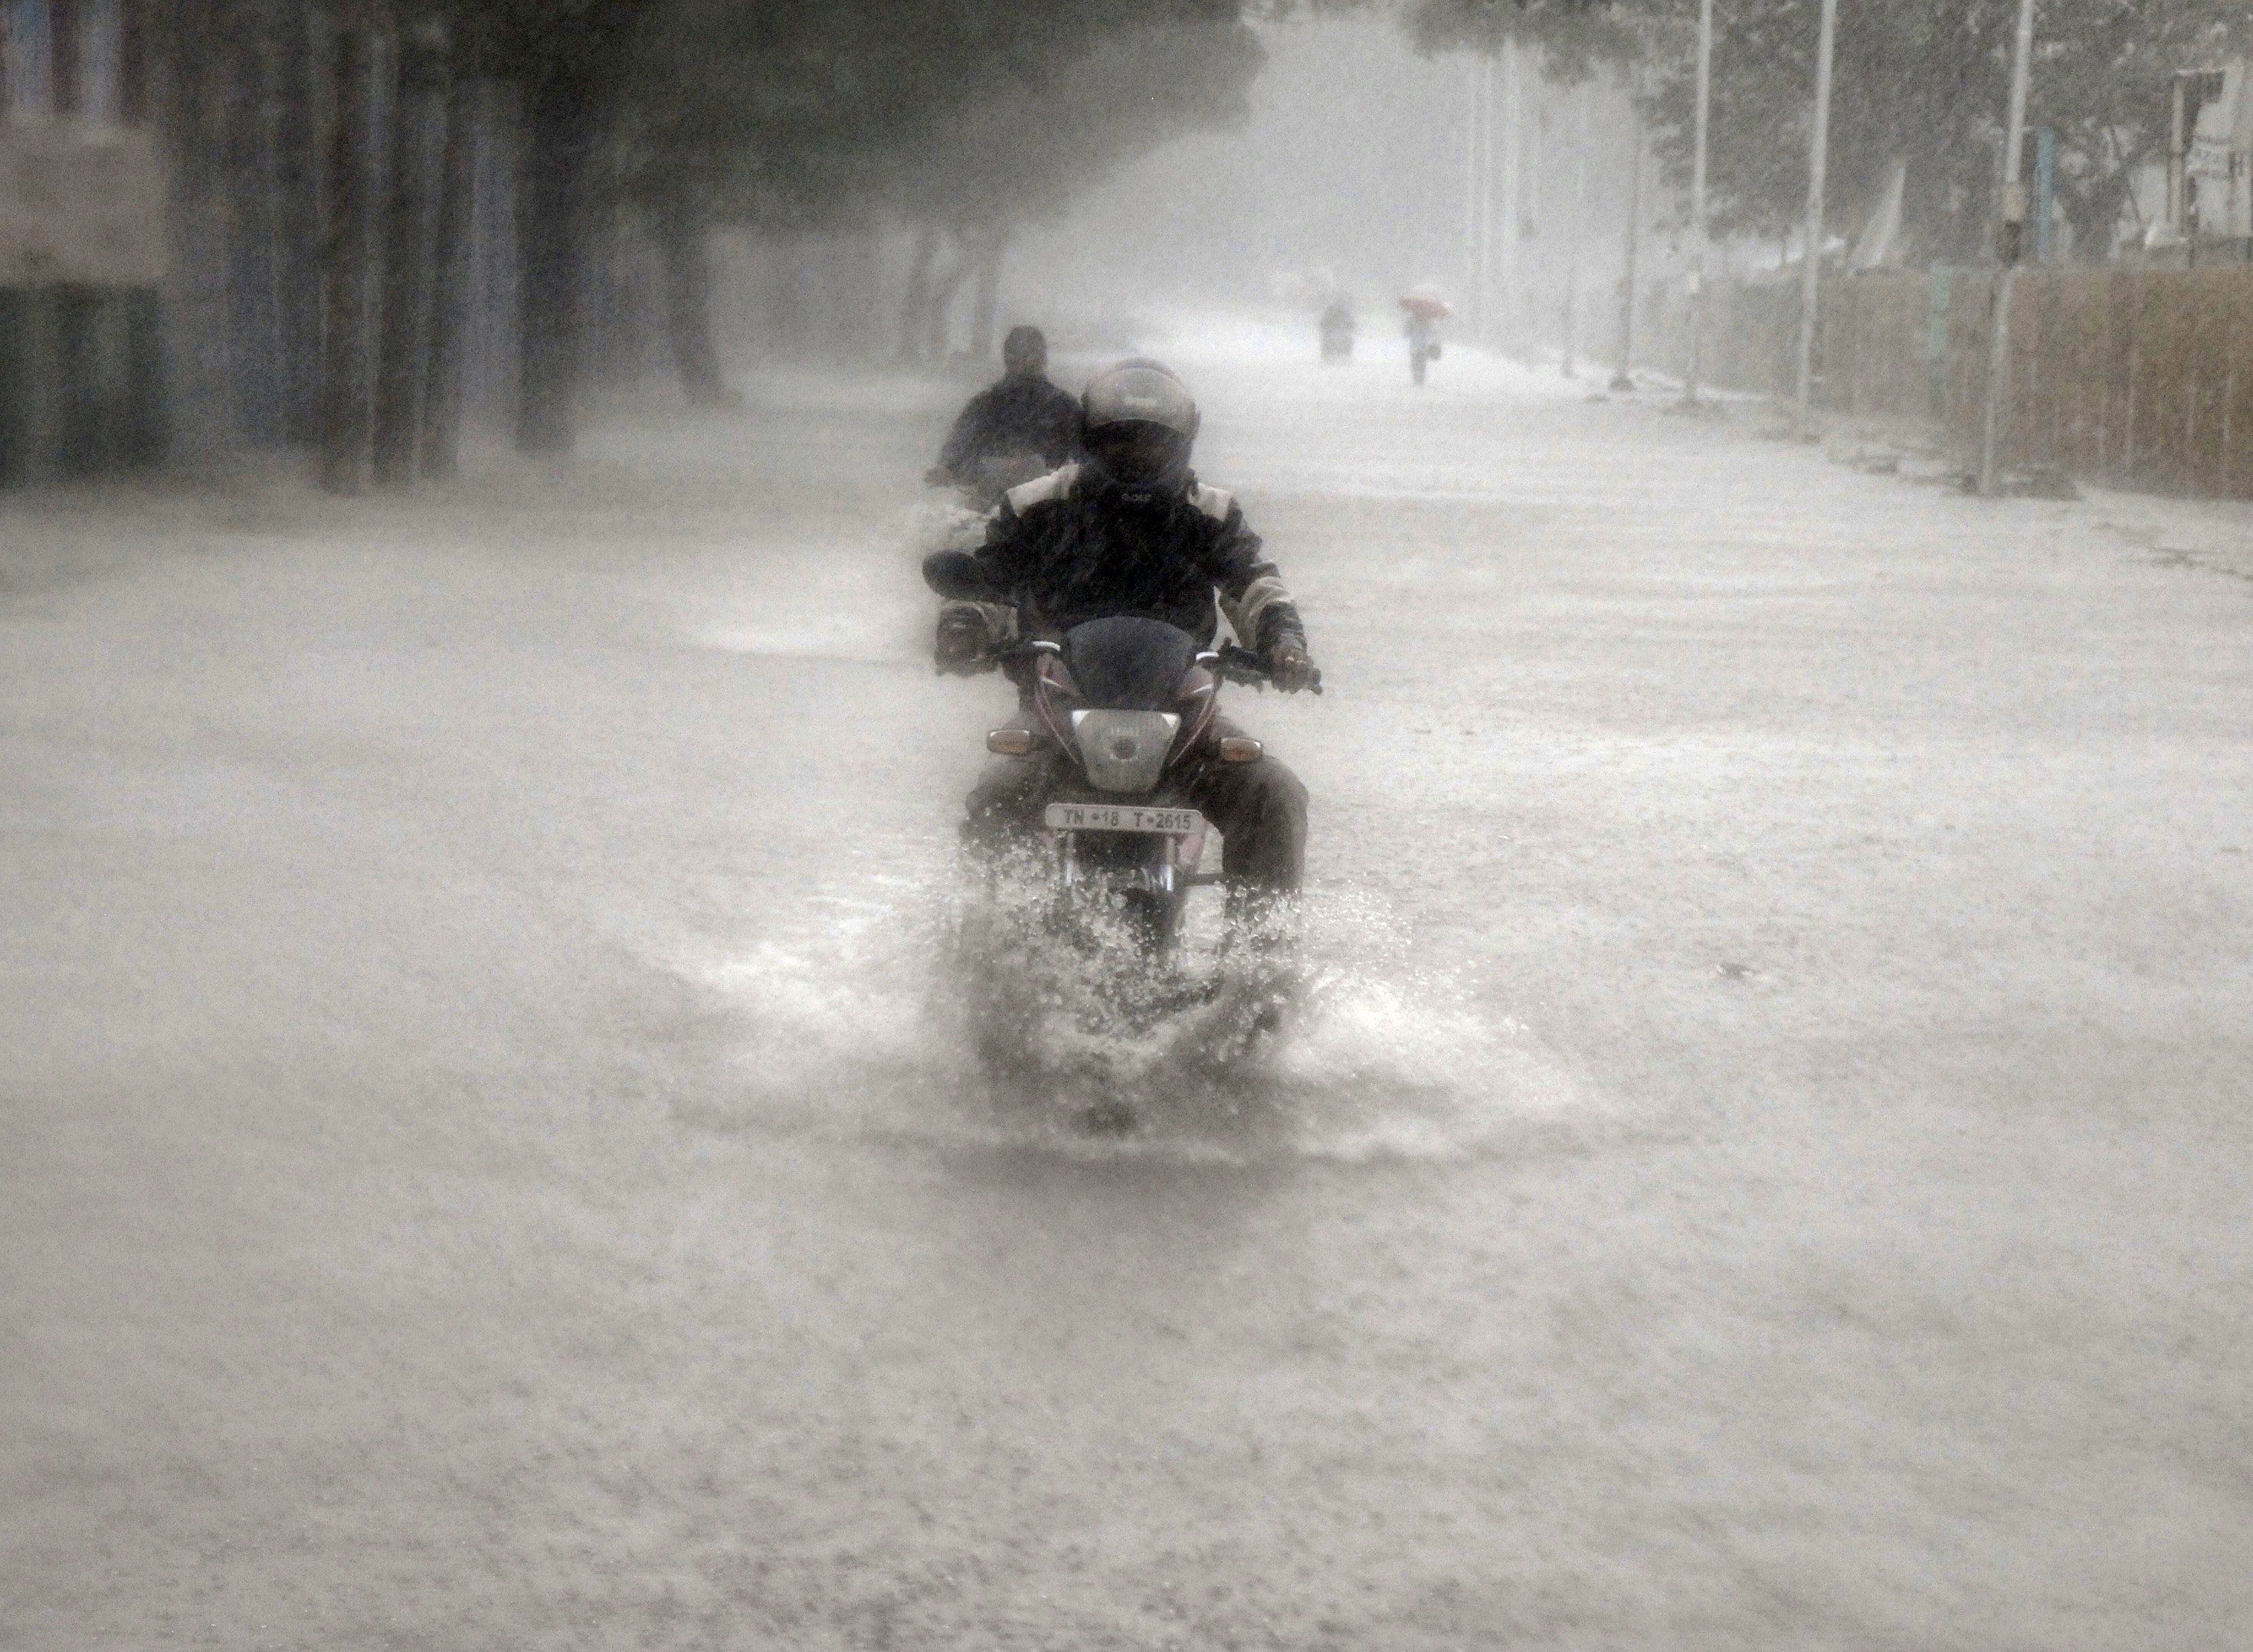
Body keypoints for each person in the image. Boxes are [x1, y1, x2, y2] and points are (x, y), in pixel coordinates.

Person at [927, 359, 1320, 898]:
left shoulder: (1209, 511)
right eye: (1120, 442)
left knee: (1274, 792)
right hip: (1057, 708)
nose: (1136, 454)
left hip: (1184, 709)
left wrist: (1284, 642)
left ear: (1181, 444)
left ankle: (1260, 956)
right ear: (1089, 440)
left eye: (1152, 443)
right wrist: (964, 625)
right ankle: (985, 939)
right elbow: (991, 581)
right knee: (1000, 791)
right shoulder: (1035, 505)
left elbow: (1253, 584)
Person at [926, 325, 1081, 499]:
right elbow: (956, 455)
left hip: (1031, 504)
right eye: (1018, 359)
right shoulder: (1064, 406)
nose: (1023, 366)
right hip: (1032, 504)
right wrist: (948, 468)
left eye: (1028, 359)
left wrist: (952, 469)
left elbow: (957, 455)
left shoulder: (985, 405)